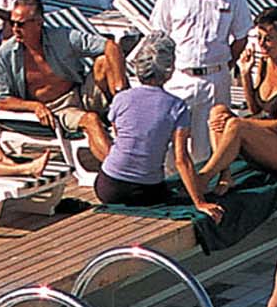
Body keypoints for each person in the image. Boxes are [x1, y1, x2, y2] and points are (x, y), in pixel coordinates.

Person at [86, 33, 221, 218]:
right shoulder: (177, 106)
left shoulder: (121, 99)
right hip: (146, 191)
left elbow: (121, 136)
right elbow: (181, 159)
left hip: (108, 186)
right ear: (169, 70)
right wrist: (199, 201)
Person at [150, 0, 251, 162]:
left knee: (209, 150)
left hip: (215, 78)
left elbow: (241, 36)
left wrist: (226, 64)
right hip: (178, 76)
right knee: (168, 147)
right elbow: (158, 34)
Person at [201, 7, 277, 188]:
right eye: (259, 38)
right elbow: (255, 110)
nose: (262, 44)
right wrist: (245, 74)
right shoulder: (265, 61)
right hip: (266, 141)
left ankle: (204, 177)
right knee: (218, 112)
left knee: (235, 124)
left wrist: (238, 123)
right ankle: (225, 174)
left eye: (268, 39)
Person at [0, 0, 125, 133]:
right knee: (91, 121)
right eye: (12, 23)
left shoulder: (62, 37)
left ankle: (125, 110)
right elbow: (1, 100)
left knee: (104, 61)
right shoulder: (4, 55)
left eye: (21, 24)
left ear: (39, 23)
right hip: (56, 109)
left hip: (81, 93)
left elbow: (111, 46)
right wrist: (34, 106)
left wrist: (121, 93)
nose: (15, 29)